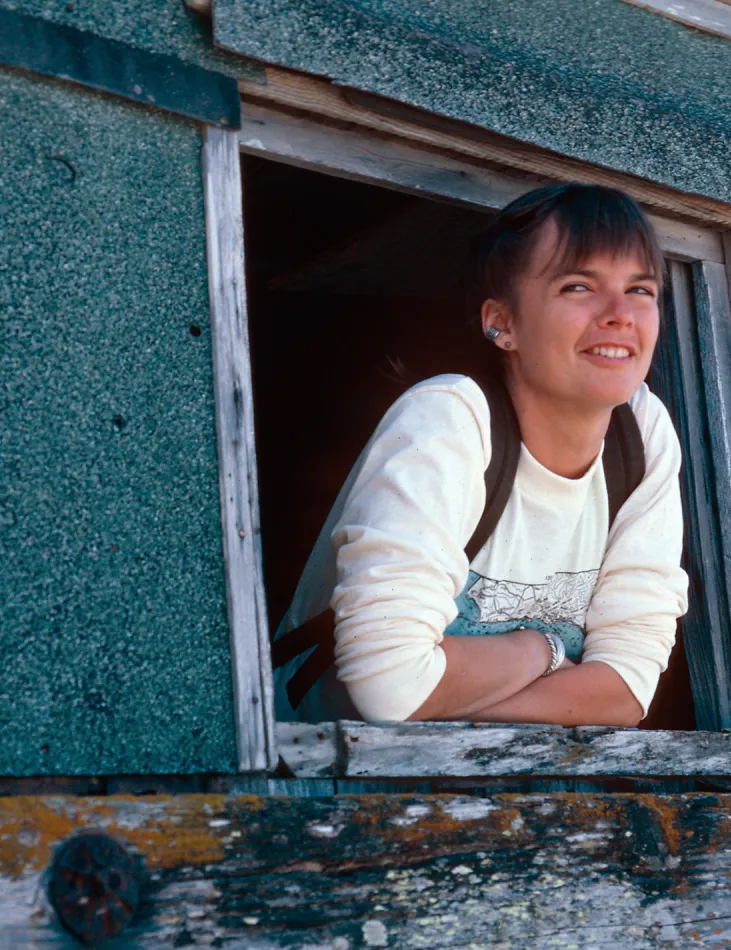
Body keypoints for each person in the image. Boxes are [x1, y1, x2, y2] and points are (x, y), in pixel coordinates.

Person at [272, 182, 689, 727]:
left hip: (503, 793)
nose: (620, 314)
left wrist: (439, 695)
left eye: (641, 289)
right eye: (578, 286)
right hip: (321, 785)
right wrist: (541, 649)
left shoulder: (643, 433)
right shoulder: (448, 420)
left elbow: (628, 693)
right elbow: (388, 689)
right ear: (503, 323)